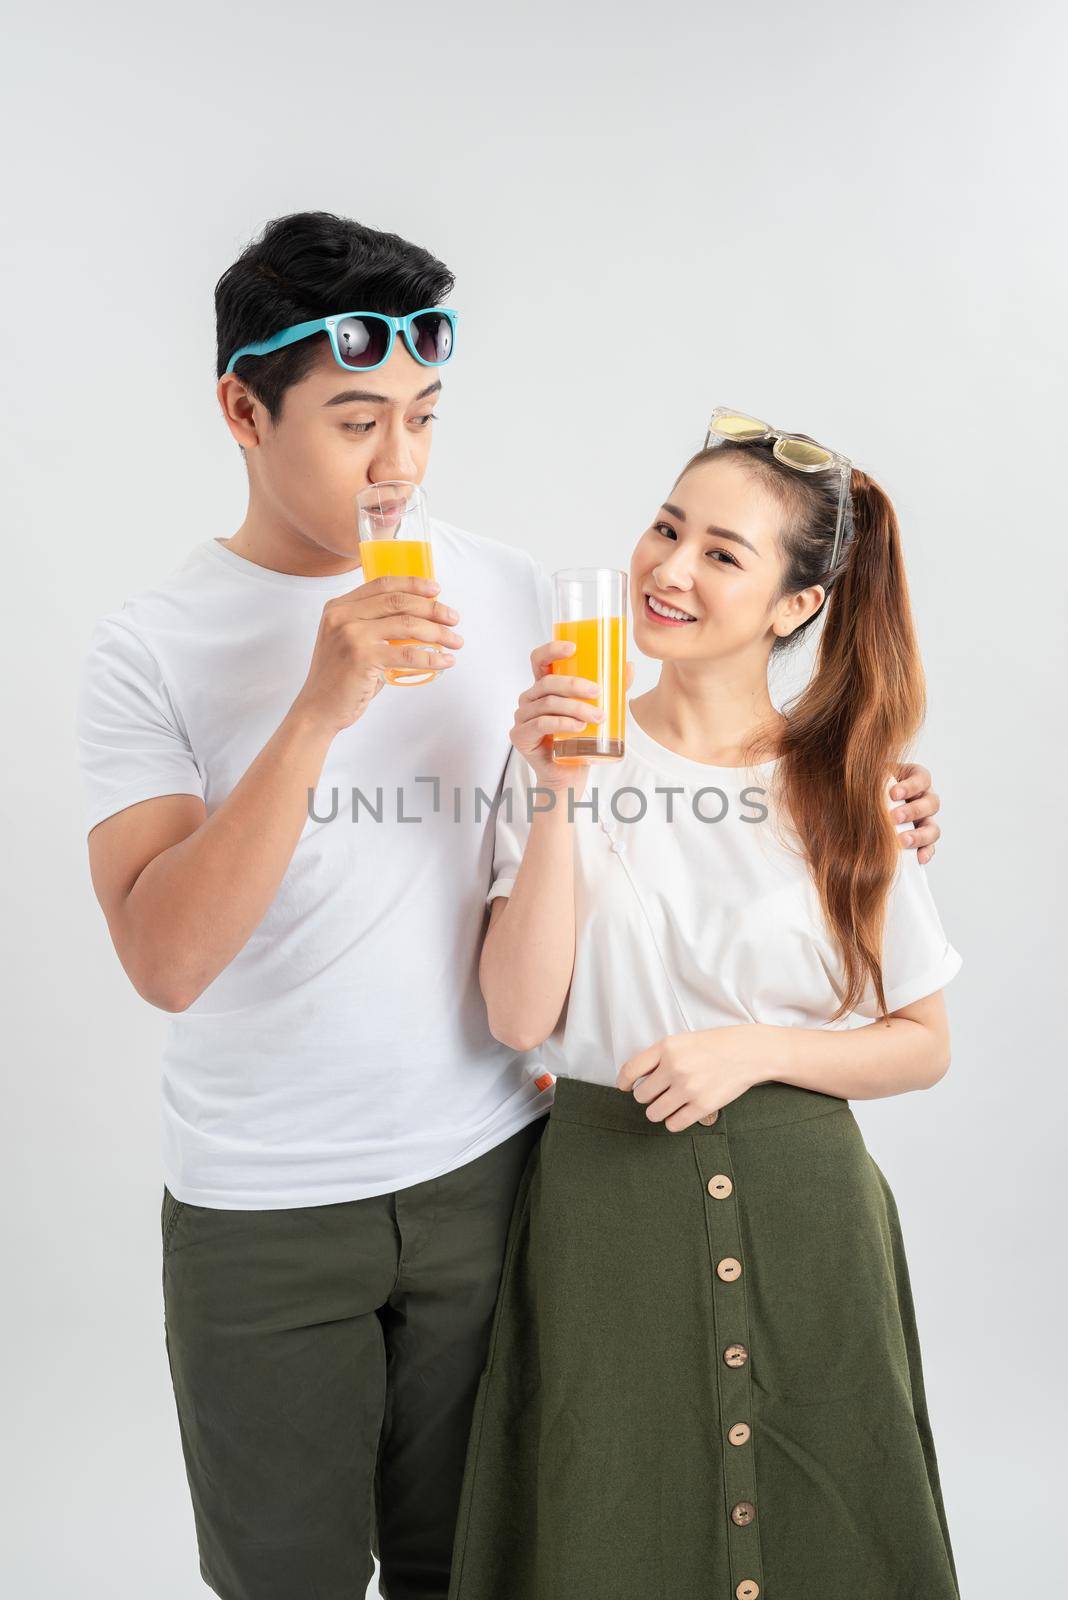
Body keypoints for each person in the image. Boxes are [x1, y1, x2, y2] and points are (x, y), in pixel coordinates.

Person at [74, 206, 943, 1600]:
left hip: (494, 1176)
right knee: (281, 1579)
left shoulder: (517, 596)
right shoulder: (148, 652)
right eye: (358, 423)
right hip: (264, 1206)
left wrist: (866, 797)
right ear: (244, 408)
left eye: (424, 414)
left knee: (478, 1570)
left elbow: (657, 771)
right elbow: (165, 962)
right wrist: (318, 709)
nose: (401, 464)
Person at [448, 412, 962, 1600]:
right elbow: (520, 1015)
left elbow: (923, 1042)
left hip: (809, 1218)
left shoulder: (846, 788)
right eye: (666, 527)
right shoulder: (560, 753)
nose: (670, 569)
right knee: (607, 1516)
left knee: (828, 1516)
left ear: (794, 604)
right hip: (600, 1215)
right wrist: (562, 797)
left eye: (724, 553)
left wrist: (758, 1051)